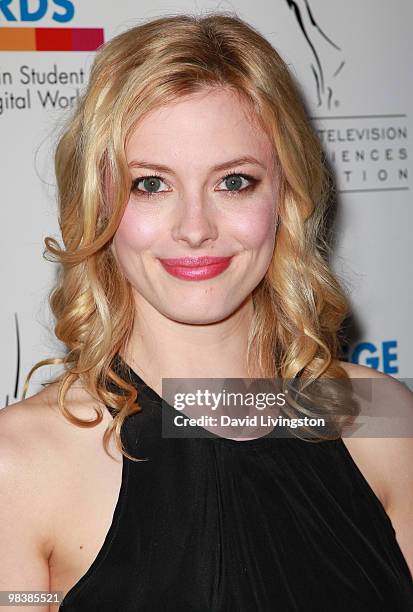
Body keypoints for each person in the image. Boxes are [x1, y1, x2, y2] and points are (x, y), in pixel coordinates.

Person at [0, 12, 412, 612]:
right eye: (150, 185)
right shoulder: (21, 464)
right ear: (97, 203)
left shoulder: (383, 420)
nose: (195, 229)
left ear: (287, 198)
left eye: (235, 182)